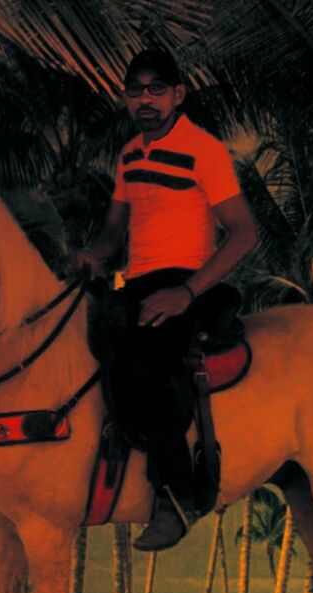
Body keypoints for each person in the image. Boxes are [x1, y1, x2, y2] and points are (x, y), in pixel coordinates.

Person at [68, 48, 257, 551]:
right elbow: (114, 232)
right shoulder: (129, 154)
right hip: (138, 282)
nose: (145, 99)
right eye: (135, 90)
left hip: (188, 281)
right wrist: (92, 255)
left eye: (156, 89)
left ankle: (175, 496)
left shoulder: (204, 150)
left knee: (146, 368)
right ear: (125, 97)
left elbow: (244, 233)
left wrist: (187, 291)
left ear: (178, 94)